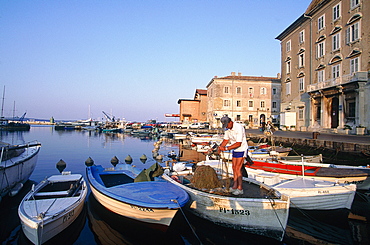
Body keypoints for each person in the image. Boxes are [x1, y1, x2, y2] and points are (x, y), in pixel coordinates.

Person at [218, 115, 248, 195]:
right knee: (234, 167)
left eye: (227, 125)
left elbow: (238, 143)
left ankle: (240, 188)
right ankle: (235, 186)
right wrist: (221, 147)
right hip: (235, 149)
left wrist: (227, 148)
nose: (226, 127)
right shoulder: (227, 129)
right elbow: (226, 140)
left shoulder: (239, 127)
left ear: (230, 122)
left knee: (238, 168)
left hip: (242, 148)